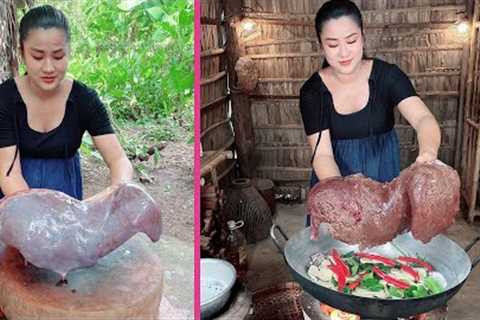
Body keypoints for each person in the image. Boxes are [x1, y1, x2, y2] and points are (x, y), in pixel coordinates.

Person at [300, 0, 441, 225]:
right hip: (333, 178)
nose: (344, 52)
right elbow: (322, 155)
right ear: (321, 46)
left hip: (381, 174)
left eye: (351, 40)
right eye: (333, 45)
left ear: (363, 36)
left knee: (383, 248)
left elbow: (423, 119)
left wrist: (428, 154)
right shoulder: (313, 92)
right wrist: (343, 197)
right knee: (334, 251)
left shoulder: (388, 76)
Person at [0, 5, 133, 199]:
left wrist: (114, 193)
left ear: (69, 51)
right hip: (16, 198)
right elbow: (9, 173)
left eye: (58, 56)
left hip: (66, 190)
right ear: (22, 53)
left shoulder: (84, 100)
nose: (48, 67)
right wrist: (42, 215)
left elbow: (118, 159)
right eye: (37, 56)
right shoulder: (5, 99)